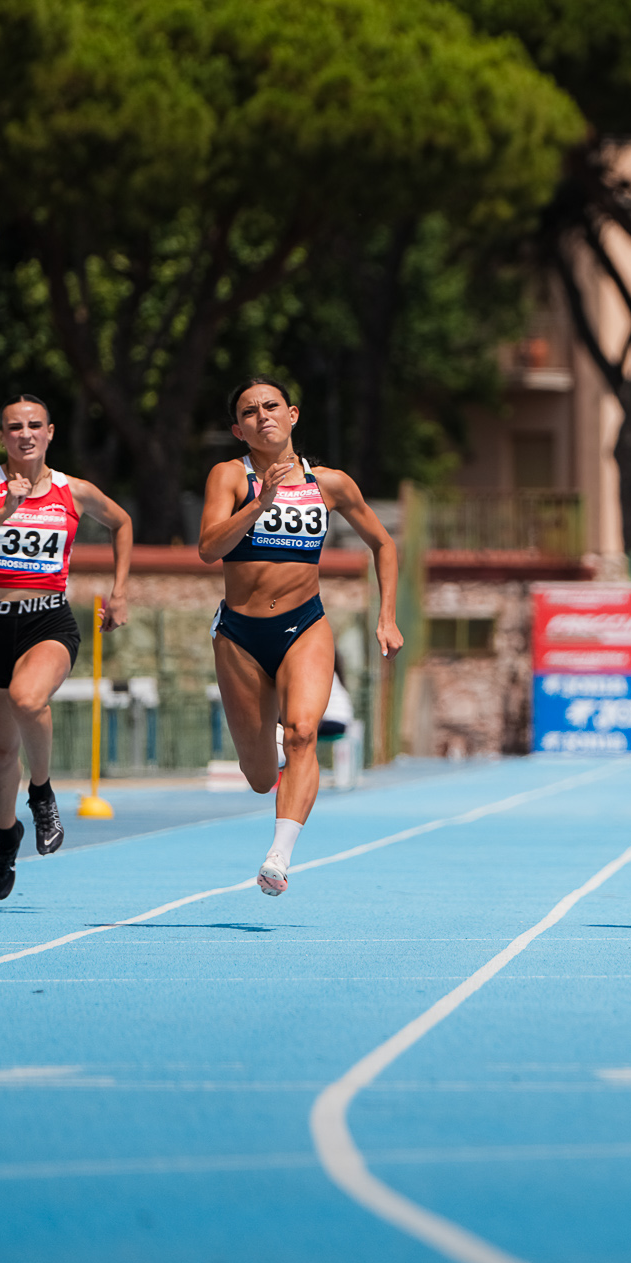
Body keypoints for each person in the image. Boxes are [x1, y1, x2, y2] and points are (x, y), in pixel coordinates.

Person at [197, 377, 401, 895]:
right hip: (240, 636)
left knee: (304, 733)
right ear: (238, 430)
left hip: (304, 626)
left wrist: (387, 616)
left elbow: (383, 544)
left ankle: (278, 856)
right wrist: (258, 503)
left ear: (292, 415)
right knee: (261, 777)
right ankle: (274, 750)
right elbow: (208, 548)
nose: (262, 415)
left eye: (271, 406)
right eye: (249, 412)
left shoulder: (329, 484)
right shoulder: (229, 476)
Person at [0, 396, 133, 900]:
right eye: (14, 427)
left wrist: (120, 592)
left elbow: (122, 523)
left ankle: (42, 793)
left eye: (34, 425)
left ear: (50, 432)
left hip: (47, 619)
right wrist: (3, 512)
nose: (25, 434)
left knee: (28, 698)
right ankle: (7, 837)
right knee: (0, 751)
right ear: (1, 436)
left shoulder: (74, 490)